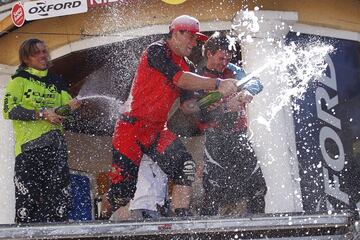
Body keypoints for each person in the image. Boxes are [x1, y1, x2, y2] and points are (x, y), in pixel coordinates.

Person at [108, 15, 237, 217]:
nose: (194, 44)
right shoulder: (156, 50)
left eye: (196, 40)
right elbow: (181, 80)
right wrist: (218, 84)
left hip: (157, 130)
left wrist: (212, 102)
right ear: (177, 33)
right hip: (130, 128)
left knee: (185, 166)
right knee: (121, 193)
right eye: (192, 37)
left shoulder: (189, 66)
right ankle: (108, 226)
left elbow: (188, 106)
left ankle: (182, 218)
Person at [181, 31, 267, 216]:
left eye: (227, 58)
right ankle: (208, 231)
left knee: (258, 187)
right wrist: (225, 107)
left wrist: (247, 93)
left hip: (240, 137)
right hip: (215, 140)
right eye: (221, 58)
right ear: (209, 54)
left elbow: (256, 81)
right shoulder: (198, 76)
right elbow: (191, 109)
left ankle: (259, 229)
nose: (224, 63)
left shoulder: (234, 70)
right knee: (213, 191)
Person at [2, 39, 81, 223]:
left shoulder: (57, 82)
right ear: (26, 58)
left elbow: (66, 115)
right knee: (27, 206)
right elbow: (9, 110)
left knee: (59, 206)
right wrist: (42, 114)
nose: (43, 55)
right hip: (30, 151)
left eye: (44, 51)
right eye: (37, 52)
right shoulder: (18, 80)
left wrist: (71, 108)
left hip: (56, 151)